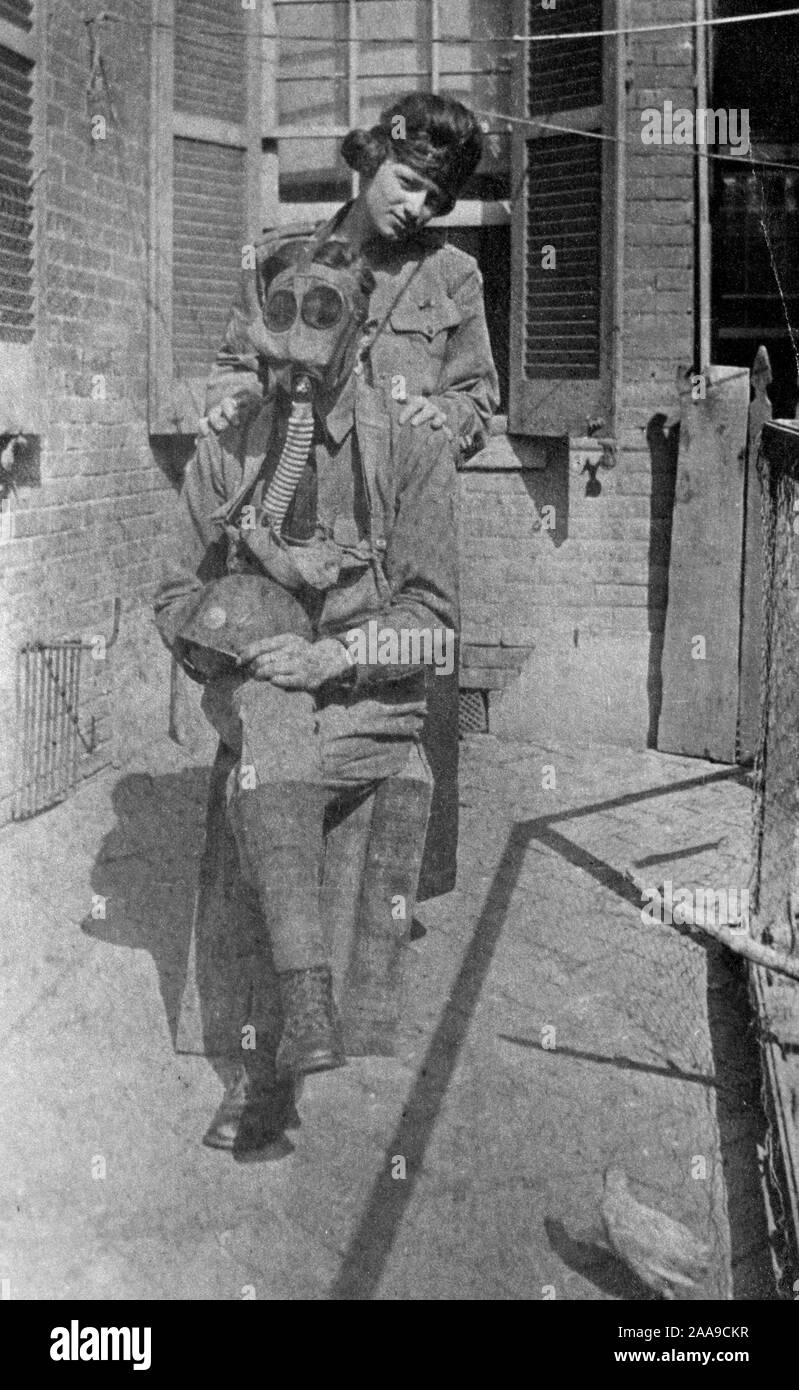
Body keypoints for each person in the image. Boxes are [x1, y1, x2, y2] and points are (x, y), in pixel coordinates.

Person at [154, 92, 499, 1154]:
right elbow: (230, 381)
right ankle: (290, 1030)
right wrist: (231, 412)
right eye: (406, 182)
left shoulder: (446, 284)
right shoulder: (280, 270)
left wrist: (442, 424)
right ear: (366, 165)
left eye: (438, 196)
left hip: (381, 569)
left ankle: (308, 1011)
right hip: (271, 588)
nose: (418, 206)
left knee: (330, 790)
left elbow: (472, 410)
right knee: (271, 745)